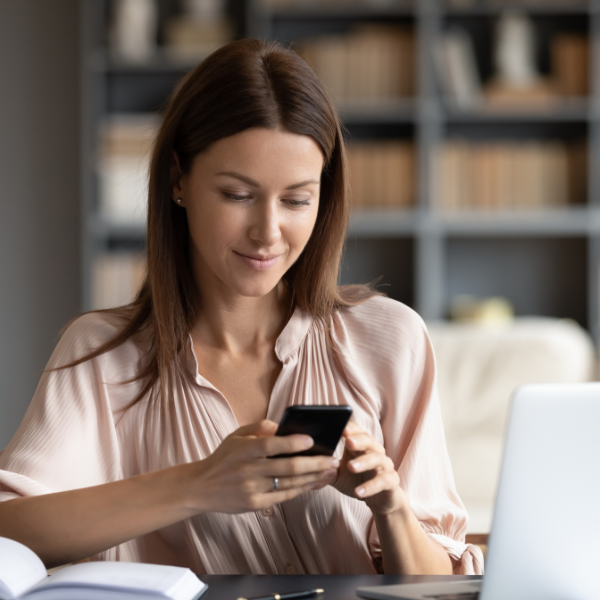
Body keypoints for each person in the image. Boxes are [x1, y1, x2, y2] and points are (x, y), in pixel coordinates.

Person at [0, 39, 483, 576]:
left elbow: (440, 583)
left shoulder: (390, 339)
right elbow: (8, 529)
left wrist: (390, 505)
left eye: (297, 199)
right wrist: (199, 484)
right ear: (178, 180)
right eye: (237, 195)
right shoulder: (102, 355)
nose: (268, 233)